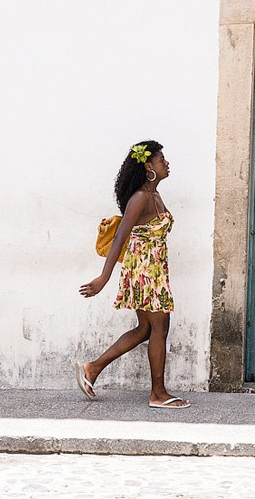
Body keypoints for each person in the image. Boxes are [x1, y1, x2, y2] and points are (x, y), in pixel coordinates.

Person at [78, 140, 190, 409]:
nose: (167, 163)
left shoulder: (154, 195)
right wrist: (103, 278)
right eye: (162, 159)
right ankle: (158, 394)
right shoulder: (140, 197)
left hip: (153, 267)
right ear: (148, 166)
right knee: (159, 328)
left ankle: (92, 368)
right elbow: (119, 238)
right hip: (145, 270)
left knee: (146, 329)